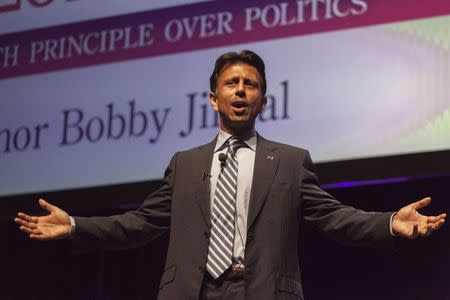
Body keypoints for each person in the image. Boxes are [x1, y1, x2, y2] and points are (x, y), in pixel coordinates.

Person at [15, 50, 446, 300]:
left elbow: (336, 218)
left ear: (262, 102)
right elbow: (140, 224)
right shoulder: (185, 163)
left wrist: (389, 221)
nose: (241, 90)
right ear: (213, 98)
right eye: (232, 83)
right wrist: (74, 226)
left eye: (251, 85)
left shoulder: (291, 161)